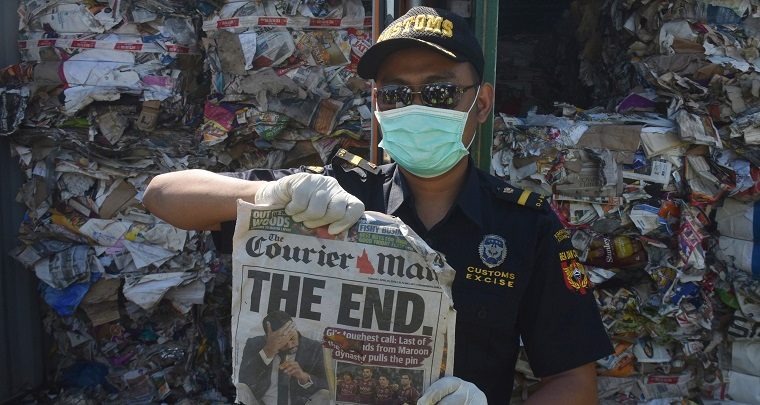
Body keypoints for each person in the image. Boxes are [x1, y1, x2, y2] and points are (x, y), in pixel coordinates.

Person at [144, 6, 613, 404]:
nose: (415, 107)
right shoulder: (335, 196)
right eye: (394, 94)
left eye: (438, 92)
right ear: (377, 106)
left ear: (482, 103)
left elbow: (574, 379)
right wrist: (269, 195)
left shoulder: (524, 227)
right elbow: (163, 195)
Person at [237, 310, 328, 405]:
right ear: (268, 338)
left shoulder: (314, 348)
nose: (289, 345)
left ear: (295, 329)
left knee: (325, 395)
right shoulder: (255, 344)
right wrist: (268, 351)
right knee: (240, 388)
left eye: (292, 338)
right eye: (282, 342)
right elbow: (244, 381)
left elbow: (327, 386)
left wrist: (303, 377)